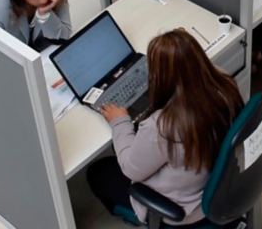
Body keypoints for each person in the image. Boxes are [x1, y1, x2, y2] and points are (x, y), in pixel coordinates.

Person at [87, 29, 244, 226]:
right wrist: (183, 48)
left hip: (185, 209)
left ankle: (142, 220)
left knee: (98, 172)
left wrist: (119, 121)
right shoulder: (224, 82)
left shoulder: (163, 126)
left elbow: (130, 170)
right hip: (217, 184)